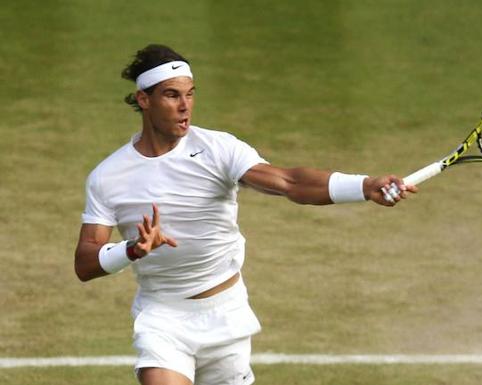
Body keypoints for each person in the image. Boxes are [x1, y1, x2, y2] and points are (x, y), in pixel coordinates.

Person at [74, 44, 416, 385]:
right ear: (144, 100)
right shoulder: (108, 176)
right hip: (163, 318)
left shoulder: (219, 149)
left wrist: (364, 186)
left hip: (226, 313)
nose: (184, 107)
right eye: (171, 95)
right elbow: (85, 263)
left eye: (190, 95)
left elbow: (289, 182)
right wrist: (132, 249)